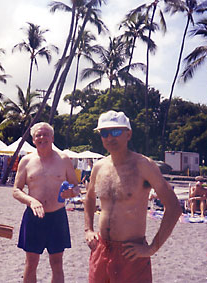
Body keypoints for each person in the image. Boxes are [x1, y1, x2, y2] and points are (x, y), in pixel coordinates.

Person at [84, 110, 182, 283]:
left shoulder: (144, 166)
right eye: (104, 133)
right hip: (101, 248)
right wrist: (88, 229)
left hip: (131, 252)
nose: (109, 137)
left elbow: (174, 208)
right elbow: (90, 198)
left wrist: (152, 248)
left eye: (115, 131)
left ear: (128, 134)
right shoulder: (99, 167)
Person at [13, 122, 79, 283]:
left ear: (52, 138)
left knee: (57, 263)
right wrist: (31, 201)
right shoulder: (26, 161)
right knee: (31, 263)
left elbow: (76, 186)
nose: (42, 138)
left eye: (45, 134)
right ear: (33, 139)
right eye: (38, 135)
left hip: (57, 217)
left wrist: (72, 192)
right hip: (33, 218)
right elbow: (16, 190)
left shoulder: (63, 159)